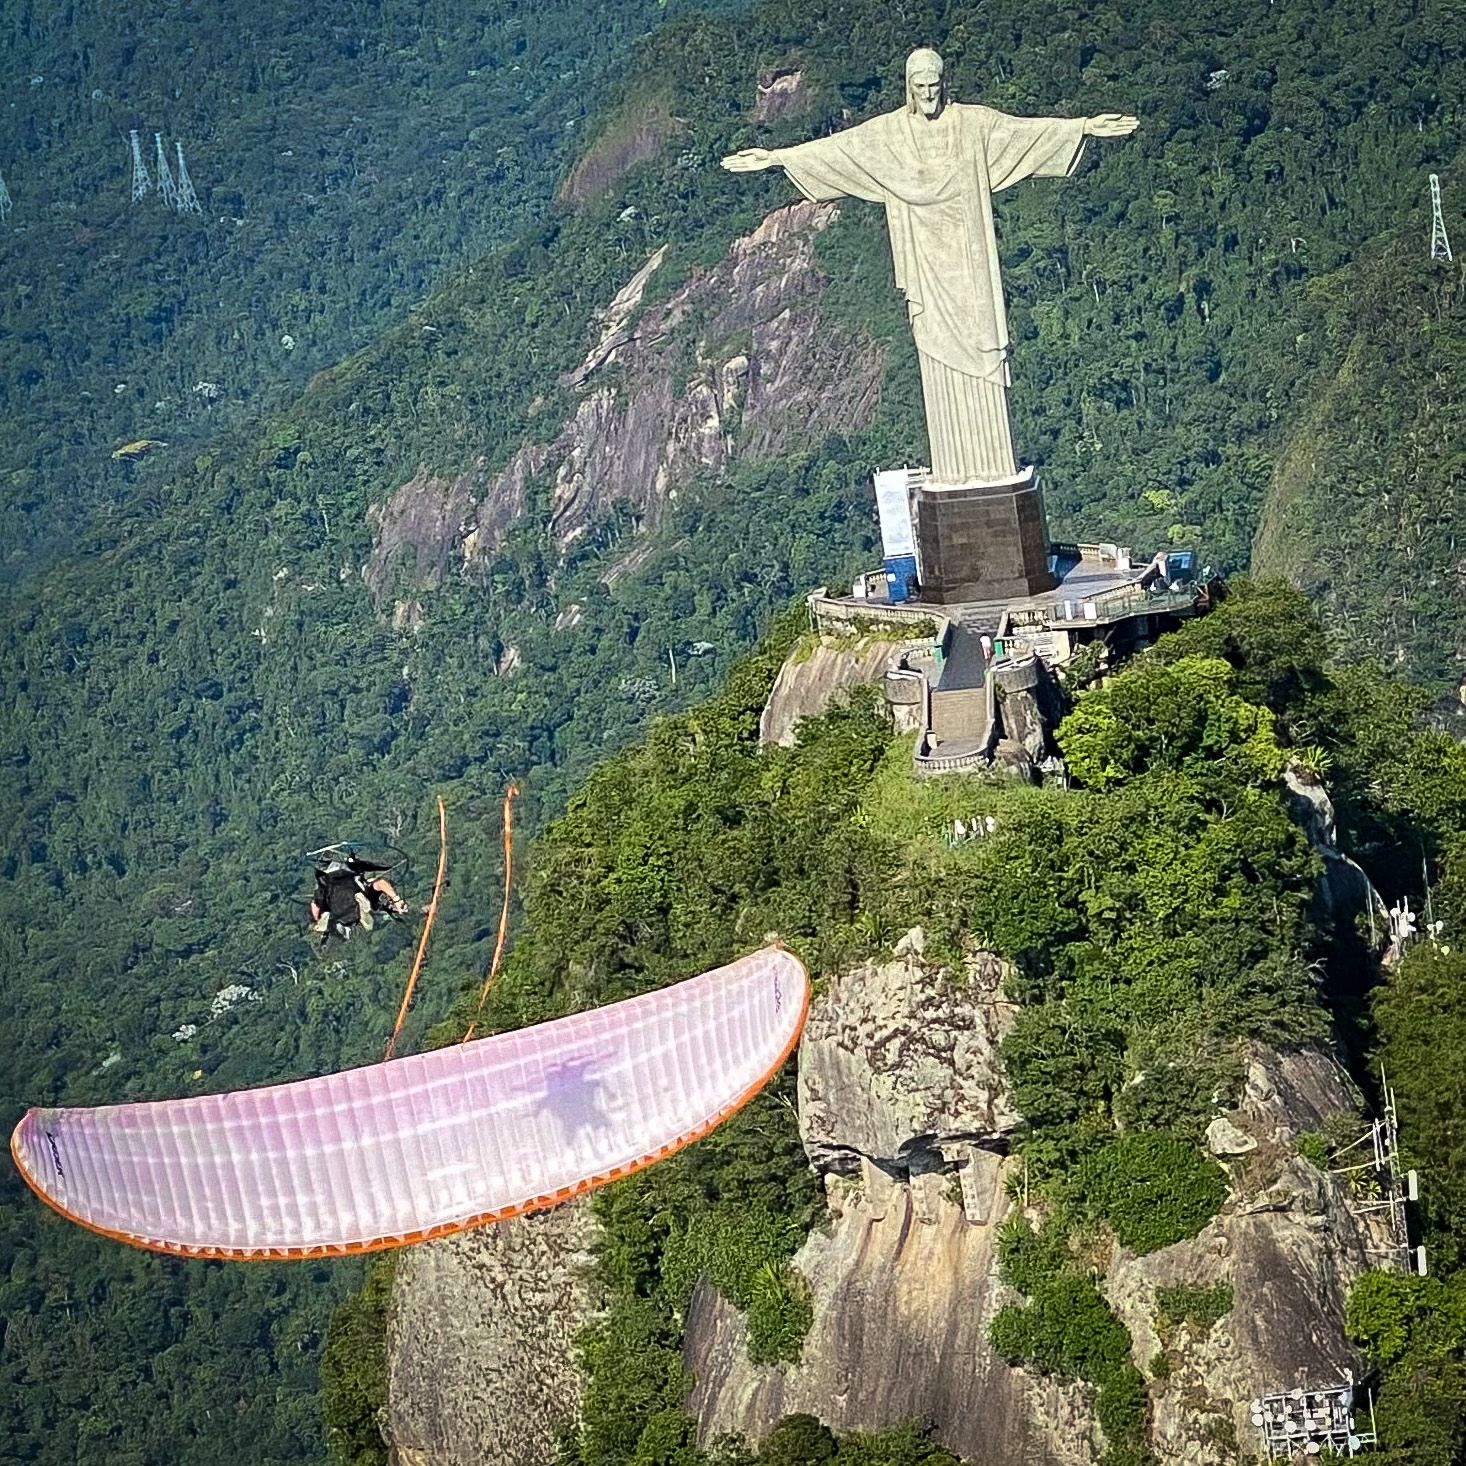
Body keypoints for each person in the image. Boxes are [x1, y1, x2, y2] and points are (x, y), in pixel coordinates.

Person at [309, 857, 410, 940]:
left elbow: (381, 884)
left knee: (328, 902)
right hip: (342, 885)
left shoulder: (372, 902)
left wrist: (396, 900)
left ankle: (358, 902)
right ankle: (358, 902)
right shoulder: (373, 902)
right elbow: (315, 904)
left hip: (340, 884)